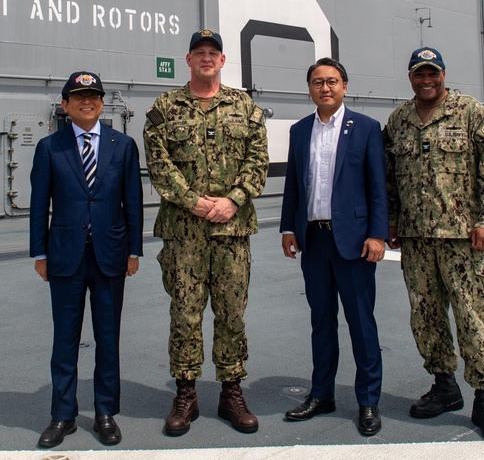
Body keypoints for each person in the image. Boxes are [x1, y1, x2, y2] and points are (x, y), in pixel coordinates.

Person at [384, 47, 484, 443]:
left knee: (472, 318)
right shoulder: (399, 120)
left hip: (463, 240)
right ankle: (444, 385)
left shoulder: (470, 112)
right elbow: (389, 178)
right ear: (410, 77)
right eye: (419, 73)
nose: (427, 79)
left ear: (443, 74)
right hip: (416, 240)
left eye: (433, 72)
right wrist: (391, 219)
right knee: (425, 316)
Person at [143, 29, 268, 436]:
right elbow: (159, 165)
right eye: (199, 53)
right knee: (185, 314)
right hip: (184, 232)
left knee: (232, 313)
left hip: (232, 232)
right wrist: (193, 202)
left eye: (213, 53)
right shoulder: (166, 107)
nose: (206, 58)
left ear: (222, 60)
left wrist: (232, 200)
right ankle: (186, 395)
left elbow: (258, 160)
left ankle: (231, 391)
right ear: (188, 59)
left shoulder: (244, 107)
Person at [29, 71, 144, 448]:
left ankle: (106, 412)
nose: (87, 101)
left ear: (101, 102)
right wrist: (40, 252)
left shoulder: (123, 145)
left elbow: (133, 201)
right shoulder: (50, 147)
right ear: (65, 105)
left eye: (93, 95)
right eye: (78, 96)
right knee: (65, 339)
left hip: (111, 255)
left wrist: (134, 249)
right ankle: (63, 415)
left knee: (108, 338)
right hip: (65, 256)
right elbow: (38, 205)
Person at [279, 58, 388, 436]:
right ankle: (322, 393)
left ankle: (368, 401)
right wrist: (287, 228)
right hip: (314, 239)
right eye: (317, 82)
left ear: (344, 85)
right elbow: (294, 184)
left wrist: (378, 234)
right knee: (321, 321)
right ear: (309, 88)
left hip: (355, 242)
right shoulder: (299, 130)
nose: (325, 88)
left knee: (361, 323)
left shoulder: (367, 129)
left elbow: (378, 187)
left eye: (332, 81)